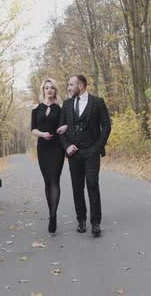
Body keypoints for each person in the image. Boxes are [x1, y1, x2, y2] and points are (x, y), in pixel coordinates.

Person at [57, 75, 111, 236]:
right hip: (74, 154)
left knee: (92, 184)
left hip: (91, 151)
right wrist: (67, 147)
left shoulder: (98, 102)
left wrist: (98, 146)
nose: (68, 87)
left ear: (81, 85)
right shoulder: (66, 105)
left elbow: (107, 126)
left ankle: (95, 223)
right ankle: (81, 220)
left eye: (71, 85)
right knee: (77, 187)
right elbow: (60, 130)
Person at [31, 78, 66, 234]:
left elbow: (65, 126)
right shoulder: (36, 108)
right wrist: (42, 134)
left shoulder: (61, 109)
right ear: (43, 90)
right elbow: (33, 129)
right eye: (47, 88)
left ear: (55, 90)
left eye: (52, 87)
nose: (49, 90)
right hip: (43, 148)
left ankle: (53, 216)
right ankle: (51, 212)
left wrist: (64, 127)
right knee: (47, 181)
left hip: (57, 148)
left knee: (54, 180)